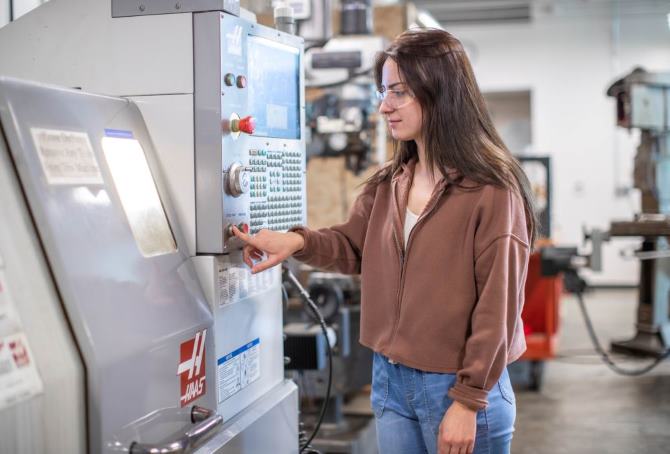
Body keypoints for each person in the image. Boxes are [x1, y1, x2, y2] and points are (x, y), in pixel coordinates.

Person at [233, 27, 537, 454]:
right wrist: (296, 243)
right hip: (391, 380)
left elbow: (498, 305)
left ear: (439, 92)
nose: (383, 106)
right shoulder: (391, 182)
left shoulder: (491, 189)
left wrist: (469, 400)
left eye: (398, 92)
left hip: (455, 385)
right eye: (382, 91)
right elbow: (353, 247)